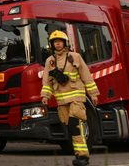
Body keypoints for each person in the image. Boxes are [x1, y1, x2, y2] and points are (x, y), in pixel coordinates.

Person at [41, 30, 99, 166]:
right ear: (51, 44)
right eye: (55, 42)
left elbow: (86, 76)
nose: (58, 44)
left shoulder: (75, 57)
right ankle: (80, 154)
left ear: (65, 43)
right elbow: (47, 81)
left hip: (76, 96)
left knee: (75, 125)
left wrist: (93, 94)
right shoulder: (50, 61)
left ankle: (82, 157)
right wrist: (45, 96)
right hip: (61, 99)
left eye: (60, 42)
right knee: (70, 128)